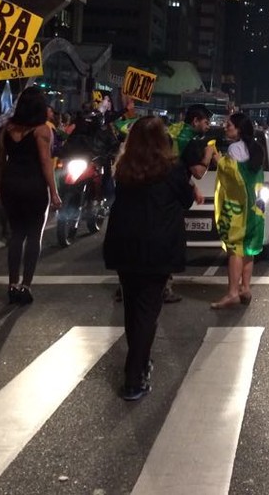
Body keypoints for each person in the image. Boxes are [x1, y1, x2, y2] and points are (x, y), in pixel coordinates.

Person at [103, 116, 193, 401]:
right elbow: (186, 200)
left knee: (132, 308)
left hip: (125, 244)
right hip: (158, 247)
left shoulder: (123, 168)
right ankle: (134, 375)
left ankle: (139, 363)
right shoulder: (171, 169)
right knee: (147, 312)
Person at [0, 86, 61, 305]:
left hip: (10, 184)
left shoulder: (6, 128)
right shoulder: (42, 130)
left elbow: (1, 161)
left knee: (16, 235)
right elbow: (45, 163)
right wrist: (54, 192)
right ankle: (26, 285)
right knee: (34, 236)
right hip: (33, 185)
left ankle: (12, 283)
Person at [208, 111, 265, 309]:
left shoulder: (234, 149)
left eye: (229, 125)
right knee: (249, 249)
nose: (225, 127)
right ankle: (245, 288)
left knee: (234, 250)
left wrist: (217, 158)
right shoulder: (257, 149)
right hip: (255, 209)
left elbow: (232, 175)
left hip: (238, 210)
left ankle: (232, 292)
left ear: (239, 129)